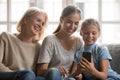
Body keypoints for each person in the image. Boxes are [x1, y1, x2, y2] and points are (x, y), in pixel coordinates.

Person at [0, 7, 48, 80]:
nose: (40, 26)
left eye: (43, 24)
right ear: (26, 20)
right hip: (8, 76)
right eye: (38, 20)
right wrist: (18, 76)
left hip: (28, 78)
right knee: (28, 73)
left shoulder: (38, 47)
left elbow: (38, 72)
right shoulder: (6, 37)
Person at [37, 5, 83, 80]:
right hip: (53, 77)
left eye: (76, 23)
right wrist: (55, 69)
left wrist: (79, 75)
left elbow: (75, 70)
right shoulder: (50, 40)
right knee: (54, 72)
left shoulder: (78, 42)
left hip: (69, 78)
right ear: (61, 20)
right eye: (69, 22)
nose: (72, 26)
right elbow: (40, 71)